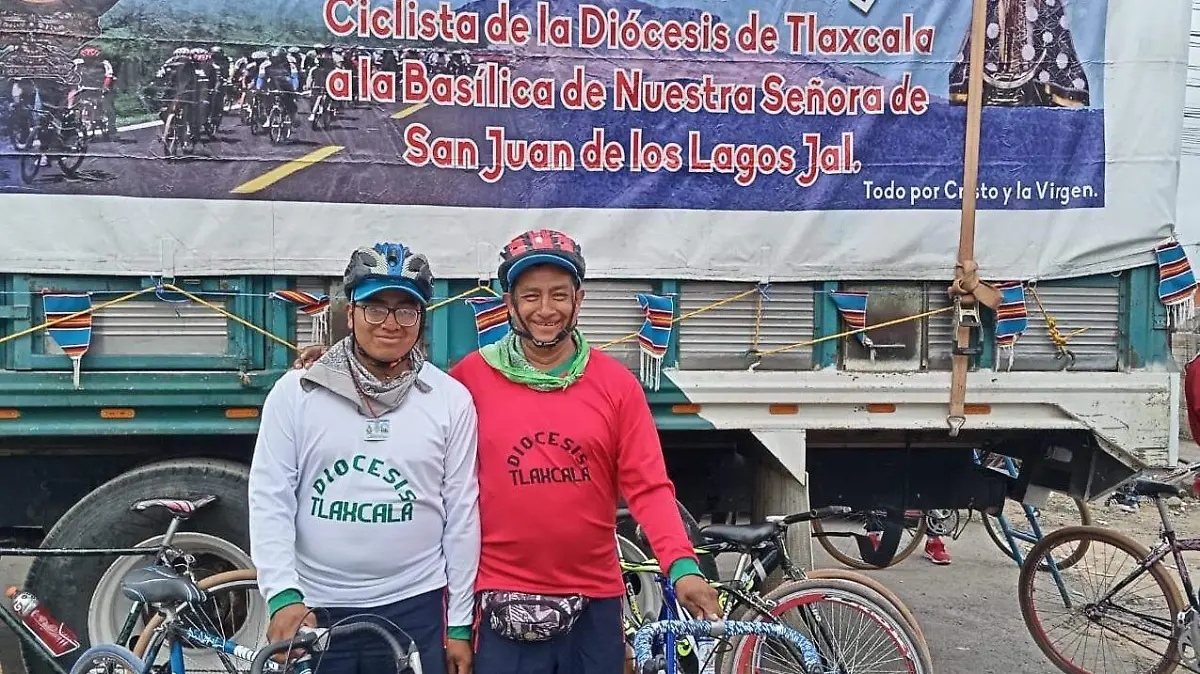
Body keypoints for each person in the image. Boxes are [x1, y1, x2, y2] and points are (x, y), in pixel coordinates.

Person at [294, 229, 722, 674]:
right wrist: (339, 363)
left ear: (579, 300)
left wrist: (681, 565)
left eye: (559, 294)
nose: (545, 309)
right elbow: (398, 403)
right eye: (530, 295)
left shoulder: (616, 386)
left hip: (595, 599)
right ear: (510, 303)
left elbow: (649, 486)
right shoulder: (469, 381)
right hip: (501, 602)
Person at [249, 241, 480, 674]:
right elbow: (270, 497)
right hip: (316, 607)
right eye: (375, 307)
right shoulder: (297, 392)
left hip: (416, 608)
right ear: (350, 312)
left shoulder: (450, 400)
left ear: (421, 318)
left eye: (405, 309)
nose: (390, 323)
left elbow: (463, 517)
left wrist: (461, 625)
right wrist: (282, 595)